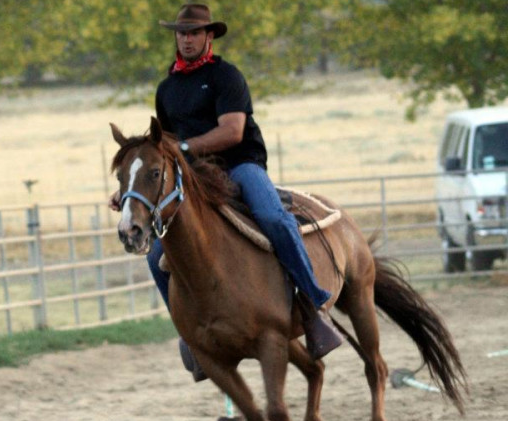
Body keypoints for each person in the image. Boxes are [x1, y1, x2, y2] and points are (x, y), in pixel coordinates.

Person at [111, 4, 342, 381]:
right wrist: (134, 193)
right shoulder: (167, 89)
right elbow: (162, 147)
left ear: (209, 36)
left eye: (193, 33)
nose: (186, 39)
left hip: (239, 164)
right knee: (156, 256)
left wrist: (185, 151)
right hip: (194, 178)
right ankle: (193, 335)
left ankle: (313, 306)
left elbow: (232, 131)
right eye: (181, 33)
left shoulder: (226, 77)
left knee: (273, 219)